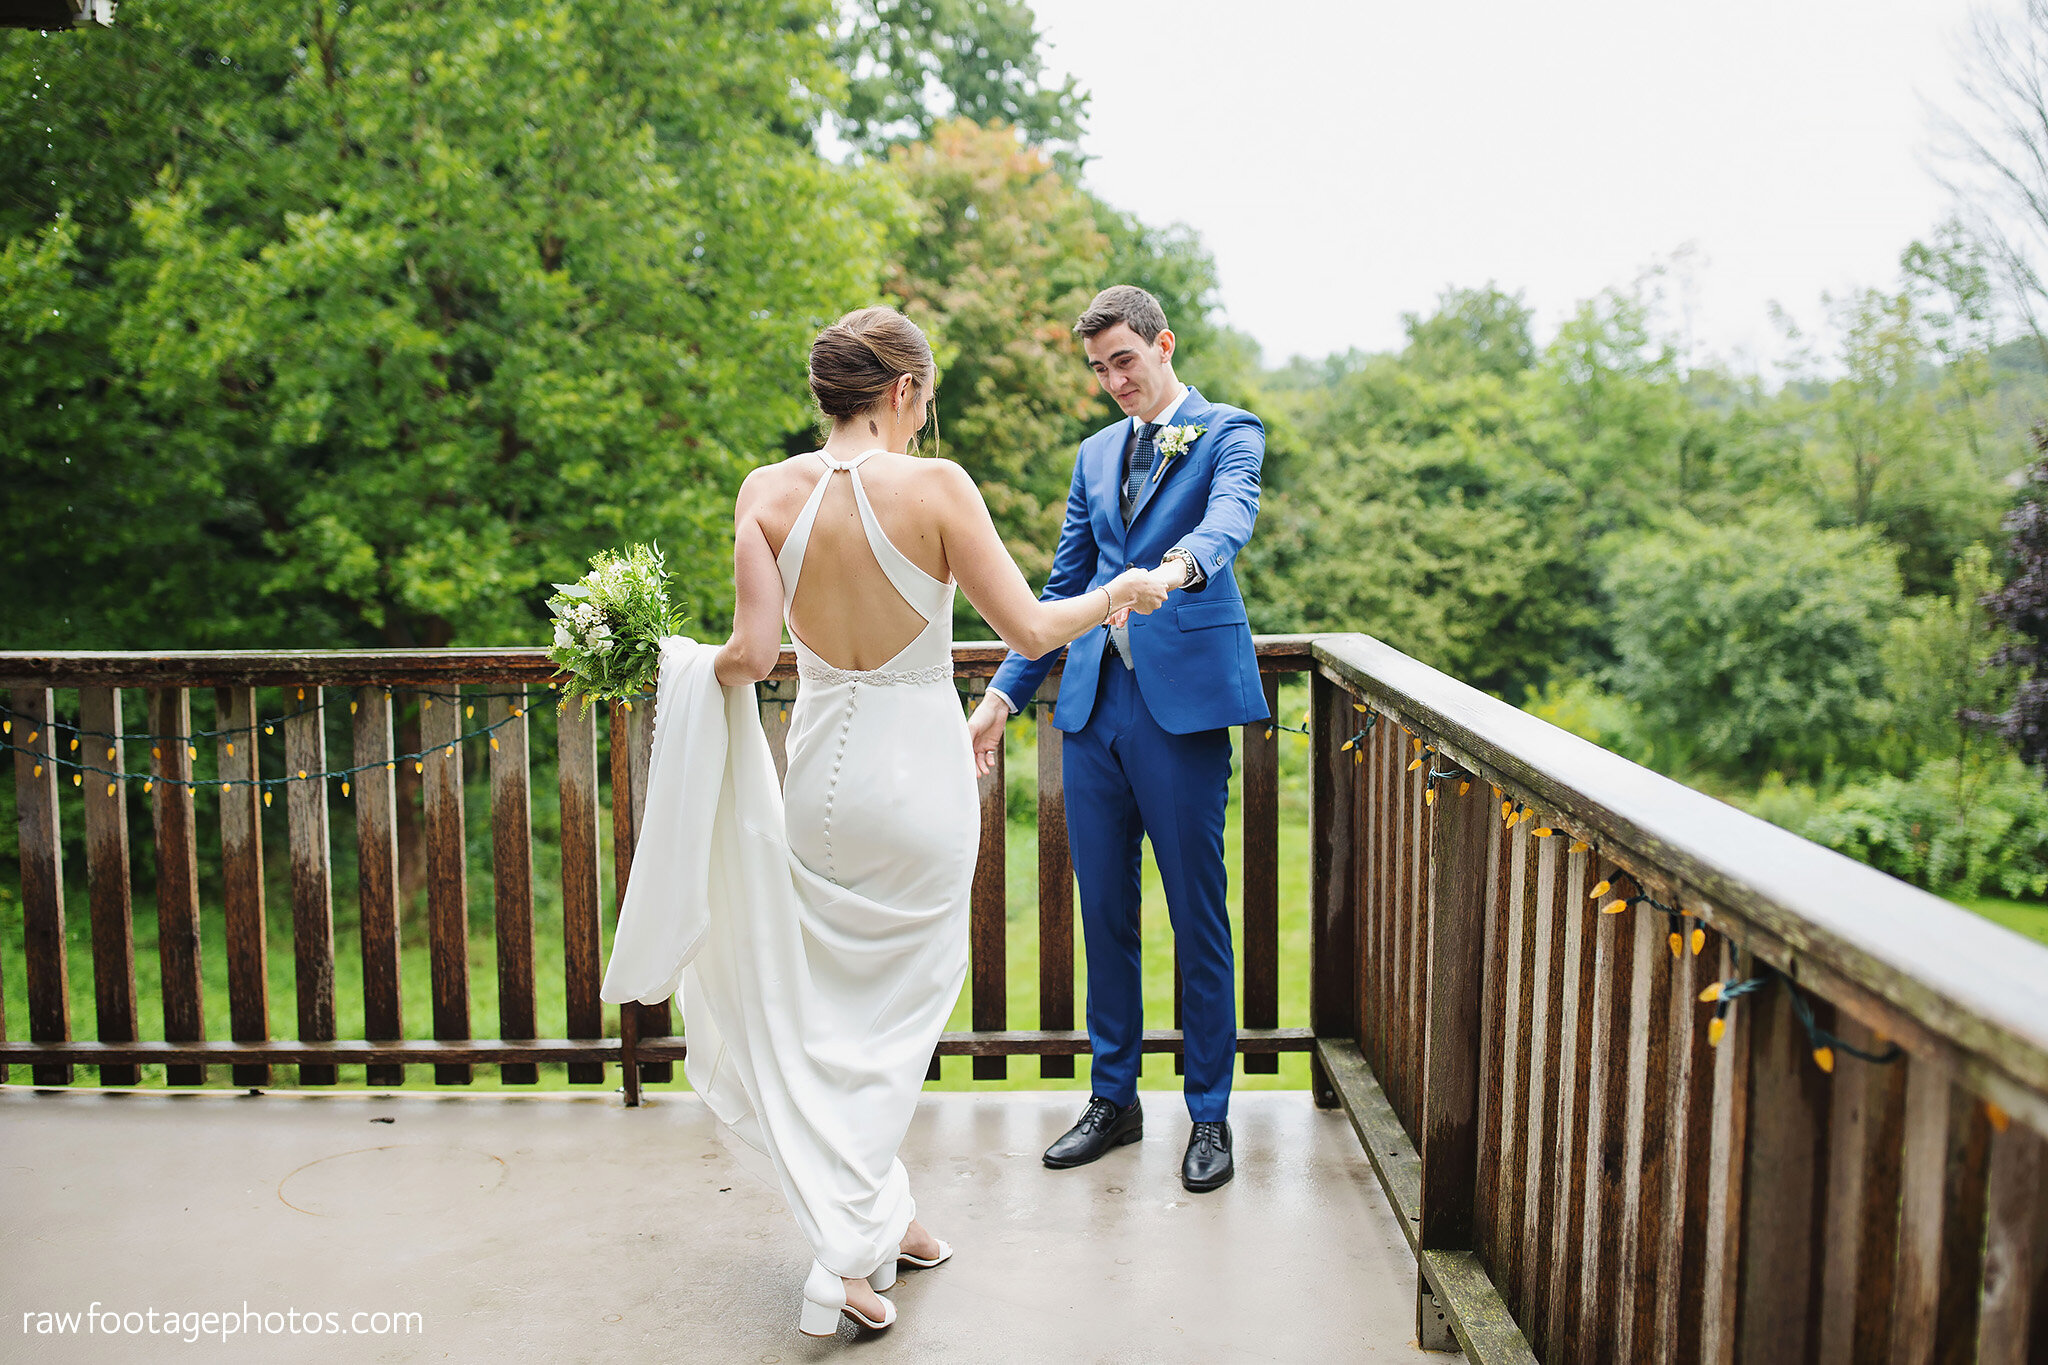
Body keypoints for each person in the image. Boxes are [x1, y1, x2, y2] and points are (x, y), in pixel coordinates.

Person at [603, 306, 1168, 1339]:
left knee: (834, 1017)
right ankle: (841, 1259)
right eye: (926, 399)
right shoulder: (938, 489)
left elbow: (746, 657)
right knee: (893, 1027)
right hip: (917, 778)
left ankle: (883, 1212)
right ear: (902, 390)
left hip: (818, 776)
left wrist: (662, 658)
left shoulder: (765, 493)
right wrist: (1119, 593)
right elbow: (1033, 628)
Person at [971, 285, 1267, 1194]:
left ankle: (1209, 1114)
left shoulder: (1227, 430)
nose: (1113, 382)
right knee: (1104, 914)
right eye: (1099, 369)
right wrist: (1002, 697)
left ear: (1163, 344)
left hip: (1179, 713)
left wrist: (1176, 569)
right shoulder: (1094, 455)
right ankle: (1115, 1099)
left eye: (1124, 361)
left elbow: (1230, 518)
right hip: (1093, 712)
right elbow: (1063, 583)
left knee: (1198, 916)